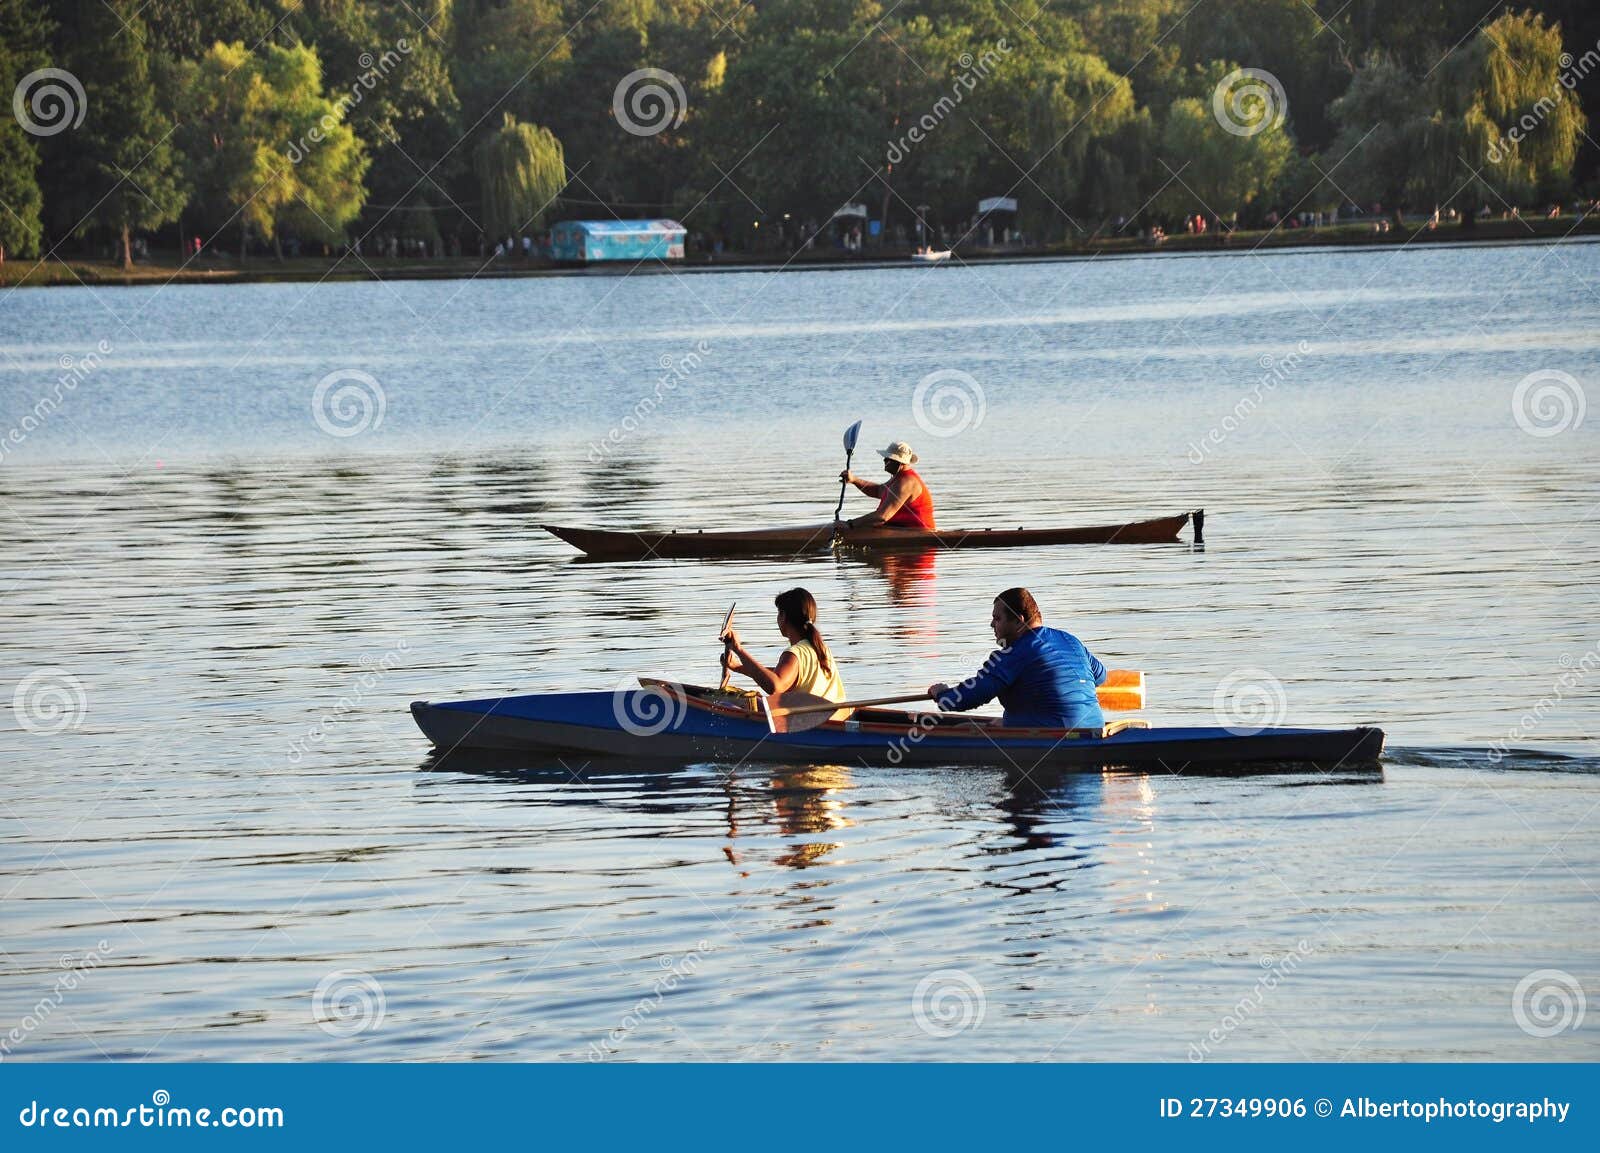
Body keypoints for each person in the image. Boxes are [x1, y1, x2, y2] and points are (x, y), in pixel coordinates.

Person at [928, 587, 1107, 729]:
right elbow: (1100, 676)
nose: (992, 624)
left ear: (1019, 621)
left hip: (1054, 736)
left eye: (997, 619)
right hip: (1094, 728)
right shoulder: (1071, 640)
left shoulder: (1012, 654)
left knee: (963, 728)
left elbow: (972, 695)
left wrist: (942, 695)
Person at [720, 587, 846, 702]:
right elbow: (785, 676)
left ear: (783, 617)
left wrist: (738, 649)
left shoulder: (794, 654)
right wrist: (738, 667)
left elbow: (776, 686)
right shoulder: (822, 648)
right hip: (835, 717)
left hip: (814, 722)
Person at [838, 440, 936, 530]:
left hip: (918, 533)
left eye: (888, 458)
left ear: (900, 463)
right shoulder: (898, 478)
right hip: (900, 530)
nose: (884, 460)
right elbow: (878, 490)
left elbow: (882, 517)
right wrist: (854, 480)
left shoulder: (906, 482)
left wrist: (849, 524)